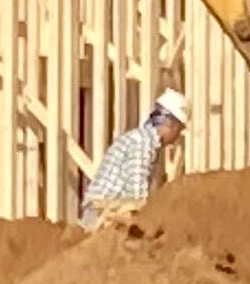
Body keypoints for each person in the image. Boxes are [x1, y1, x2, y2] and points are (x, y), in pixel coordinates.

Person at [78, 89, 189, 227]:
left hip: (107, 211)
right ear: (170, 124)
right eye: (179, 130)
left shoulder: (144, 141)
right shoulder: (142, 143)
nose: (177, 137)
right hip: (102, 215)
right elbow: (137, 199)